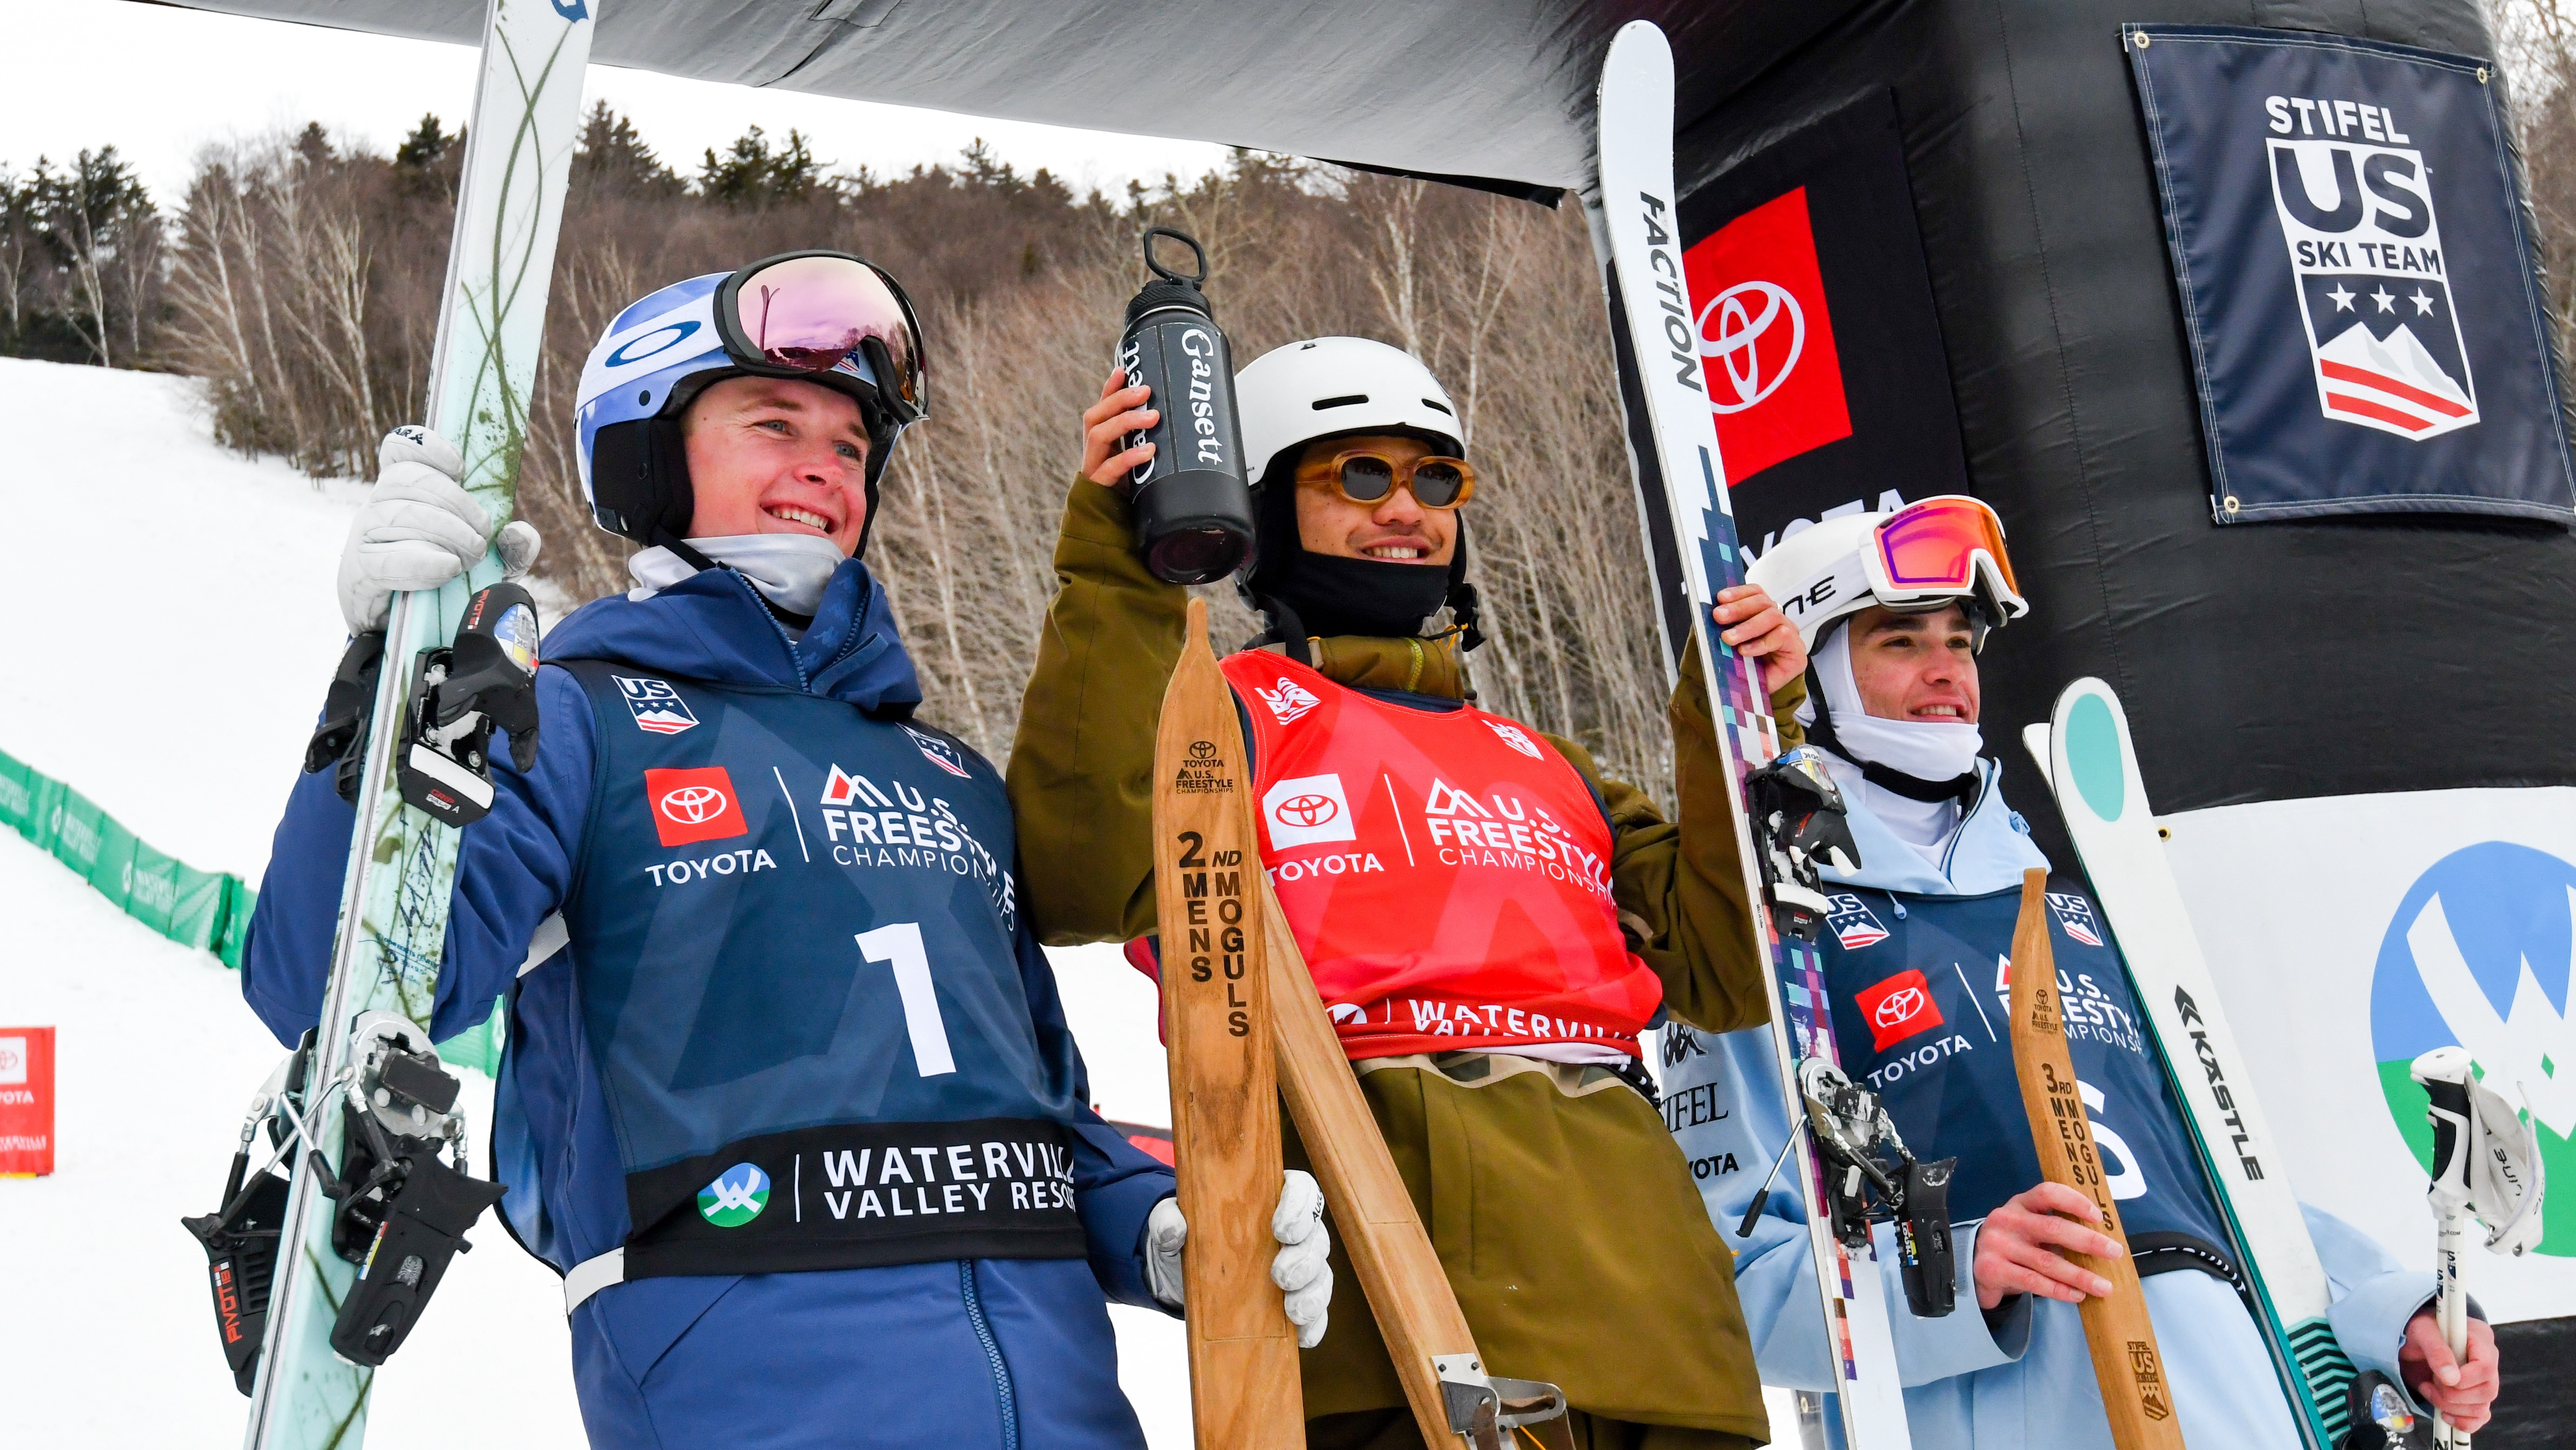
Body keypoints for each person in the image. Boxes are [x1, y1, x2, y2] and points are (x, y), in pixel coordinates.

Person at [242, 251, 1329, 1449]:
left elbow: (1034, 1115)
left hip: (1065, 1404)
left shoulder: (954, 779)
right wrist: (380, 702)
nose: (824, 464)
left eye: (853, 448)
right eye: (773, 423)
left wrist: (1166, 1220)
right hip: (758, 1393)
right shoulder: (574, 722)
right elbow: (328, 982)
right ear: (653, 452)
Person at [1008, 335, 1806, 1450]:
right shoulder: (1224, 719)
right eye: (1359, 476)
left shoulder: (1549, 764)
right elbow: (1076, 877)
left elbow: (1726, 973)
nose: (1407, 509)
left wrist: (1726, 729)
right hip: (1380, 1286)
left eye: (1436, 480)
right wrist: (1120, 560)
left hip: (1644, 1301)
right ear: (1270, 512)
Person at [1659, 499, 2505, 1448]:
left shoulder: (2071, 910)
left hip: (2230, 1400)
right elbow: (1727, 1290)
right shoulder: (1763, 946)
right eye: (1901, 642)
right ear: (1806, 679)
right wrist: (1962, 1269)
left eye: (1961, 642)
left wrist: (2394, 1315)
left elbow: (2220, 1178)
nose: (1947, 672)